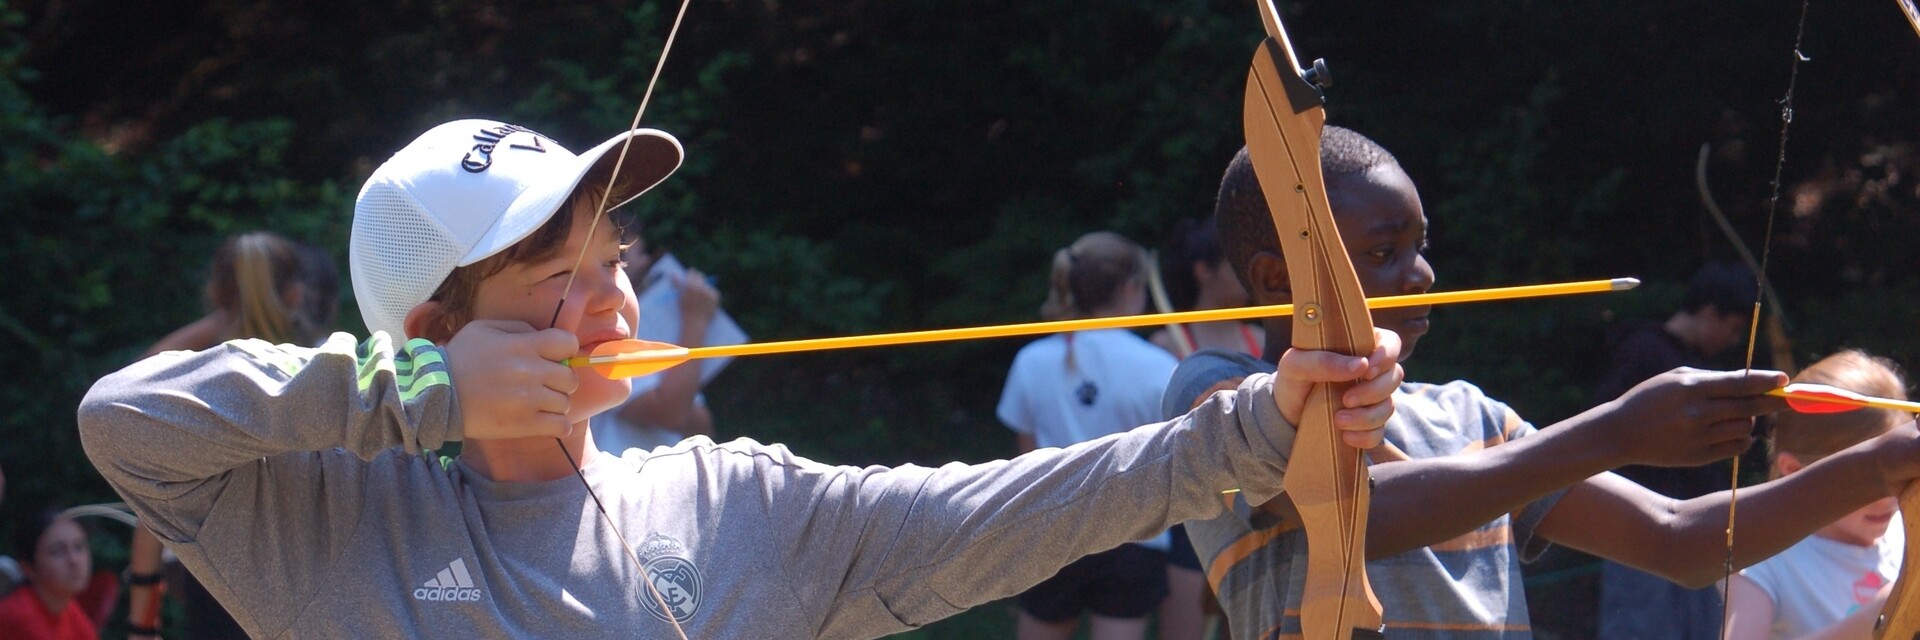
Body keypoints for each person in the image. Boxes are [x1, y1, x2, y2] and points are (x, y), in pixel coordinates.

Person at [78, 118, 1405, 638]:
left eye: (617, 259)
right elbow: (122, 424)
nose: (613, 299)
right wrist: (417, 390)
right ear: (438, 321)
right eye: (560, 275)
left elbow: (1016, 509)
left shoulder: (735, 505)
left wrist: (1262, 418)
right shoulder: (315, 521)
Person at [1164, 126, 1920, 638]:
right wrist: (1616, 431)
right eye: (1384, 252)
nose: (1421, 274)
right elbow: (1352, 514)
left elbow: (1680, 539)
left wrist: (1884, 463)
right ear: (1278, 279)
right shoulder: (1218, 395)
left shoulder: (1471, 418)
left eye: (1420, 246)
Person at [127, 230, 340, 640]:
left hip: (217, 591)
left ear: (215, 294)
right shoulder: (326, 373)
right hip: (313, 586)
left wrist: (141, 623)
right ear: (295, 295)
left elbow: (130, 385)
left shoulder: (193, 388)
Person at [998, 231, 1178, 640]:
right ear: (1132, 287)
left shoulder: (1032, 361)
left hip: (1050, 530)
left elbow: (1026, 466)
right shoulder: (1158, 365)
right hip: (1134, 533)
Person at [1594, 259, 1761, 639]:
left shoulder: (1700, 363)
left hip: (1698, 525)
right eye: (1733, 327)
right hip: (1638, 524)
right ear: (1707, 311)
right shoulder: (1645, 351)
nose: (1734, 340)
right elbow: (1603, 425)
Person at [1724, 350, 1911, 640]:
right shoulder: (1767, 560)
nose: (1887, 497)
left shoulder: (1907, 525)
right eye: (1866, 481)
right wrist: (1874, 618)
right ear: (1795, 470)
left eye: (1900, 473)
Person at [1149, 217, 1260, 640]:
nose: (1252, 274)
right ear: (1203, 270)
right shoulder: (1162, 348)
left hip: (1257, 514)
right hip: (1189, 518)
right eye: (1236, 263)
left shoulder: (1260, 342)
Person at [589, 231, 720, 452]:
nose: (646, 262)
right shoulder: (603, 336)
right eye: (616, 259)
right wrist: (695, 321)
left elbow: (701, 425)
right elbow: (671, 412)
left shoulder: (648, 334)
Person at [1150, 217, 1265, 358]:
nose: (1248, 274)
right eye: (1236, 266)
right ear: (1203, 270)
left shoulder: (1261, 341)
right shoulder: (1167, 345)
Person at [0, 507, 99, 640]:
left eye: (79, 547)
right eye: (57, 552)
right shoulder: (18, 616)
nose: (74, 560)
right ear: (28, 567)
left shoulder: (70, 610)